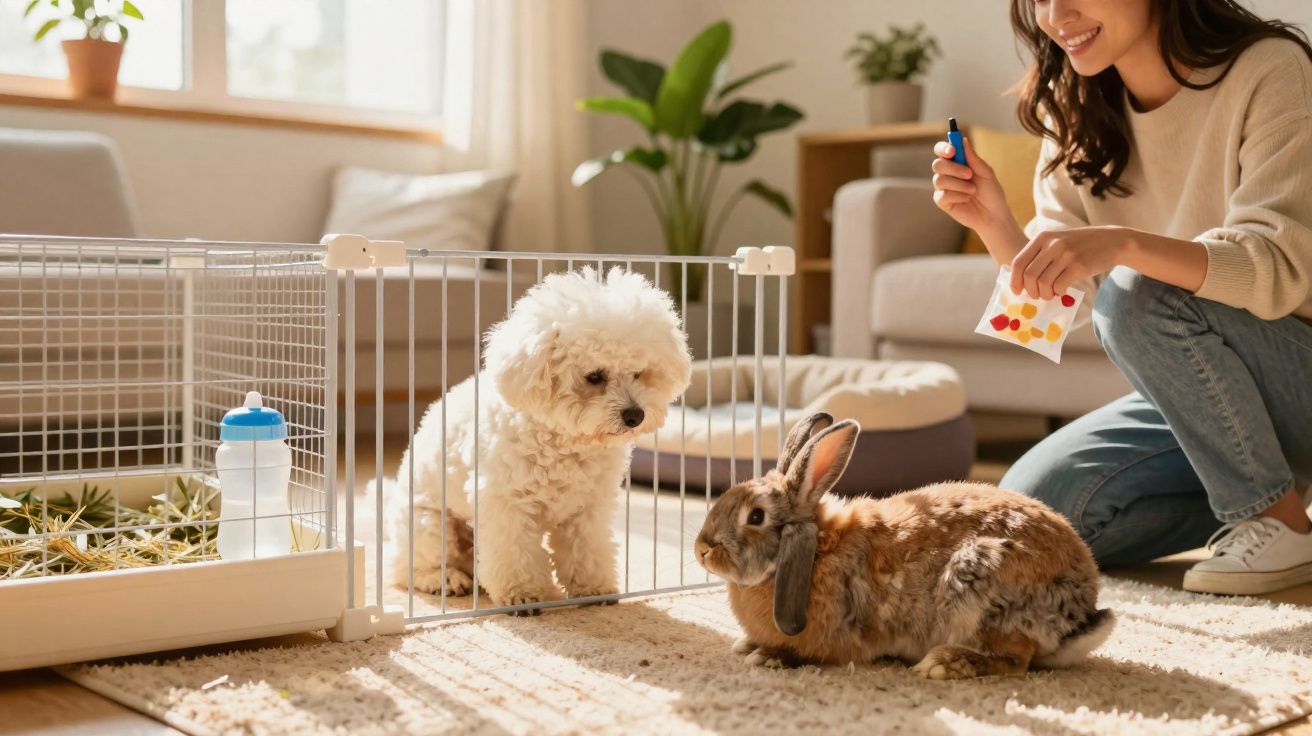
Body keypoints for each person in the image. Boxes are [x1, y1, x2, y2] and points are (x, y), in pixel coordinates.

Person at [931, 0, 1312, 595]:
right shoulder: (1074, 106)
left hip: (1297, 368)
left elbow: (1280, 268)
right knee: (1034, 513)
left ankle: (1277, 522)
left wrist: (1123, 246)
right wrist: (994, 222)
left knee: (1136, 291)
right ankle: (1271, 496)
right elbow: (1052, 313)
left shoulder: (1270, 69)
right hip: (1213, 404)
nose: (1056, 15)